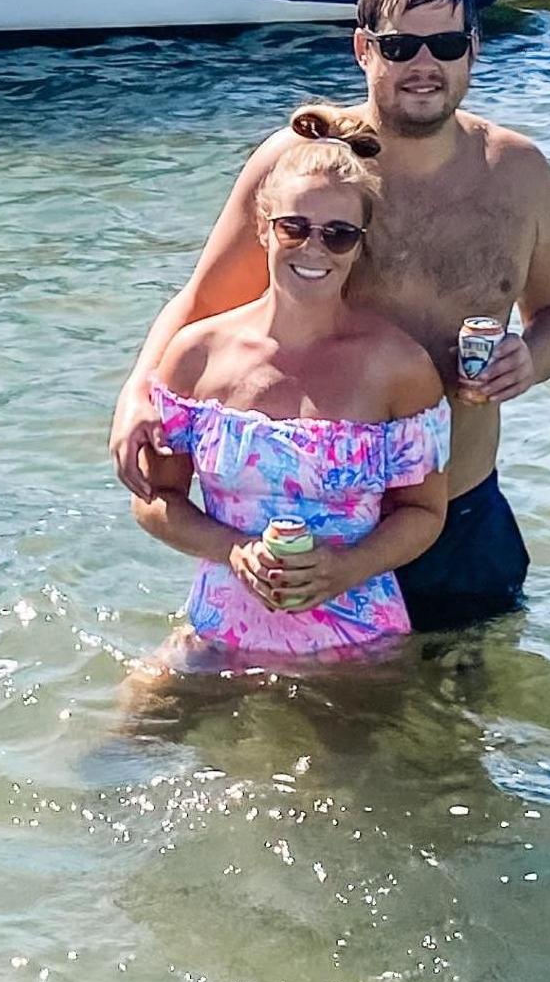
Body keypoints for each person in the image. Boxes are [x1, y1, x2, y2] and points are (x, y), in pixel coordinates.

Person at [109, 0, 550, 632]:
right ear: (364, 50)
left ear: (473, 50)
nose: (424, 65)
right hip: (319, 524)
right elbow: (204, 301)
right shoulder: (304, 164)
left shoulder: (517, 171)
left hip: (455, 510)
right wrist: (137, 393)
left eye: (446, 43)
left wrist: (531, 359)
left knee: (463, 727)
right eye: (401, 46)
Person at [128, 116, 450, 669]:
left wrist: (345, 569)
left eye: (338, 233)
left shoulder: (400, 367)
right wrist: (233, 550)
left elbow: (424, 512)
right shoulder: (196, 355)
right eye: (294, 227)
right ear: (263, 228)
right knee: (124, 745)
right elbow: (154, 502)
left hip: (359, 643)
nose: (314, 248)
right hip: (219, 631)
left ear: (358, 246)